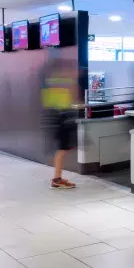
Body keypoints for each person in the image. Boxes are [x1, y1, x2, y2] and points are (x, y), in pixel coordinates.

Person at [42, 59, 77, 189]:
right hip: (61, 118)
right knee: (62, 149)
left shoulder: (49, 82)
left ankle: (57, 177)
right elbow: (71, 99)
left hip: (55, 117)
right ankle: (57, 179)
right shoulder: (65, 82)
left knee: (62, 149)